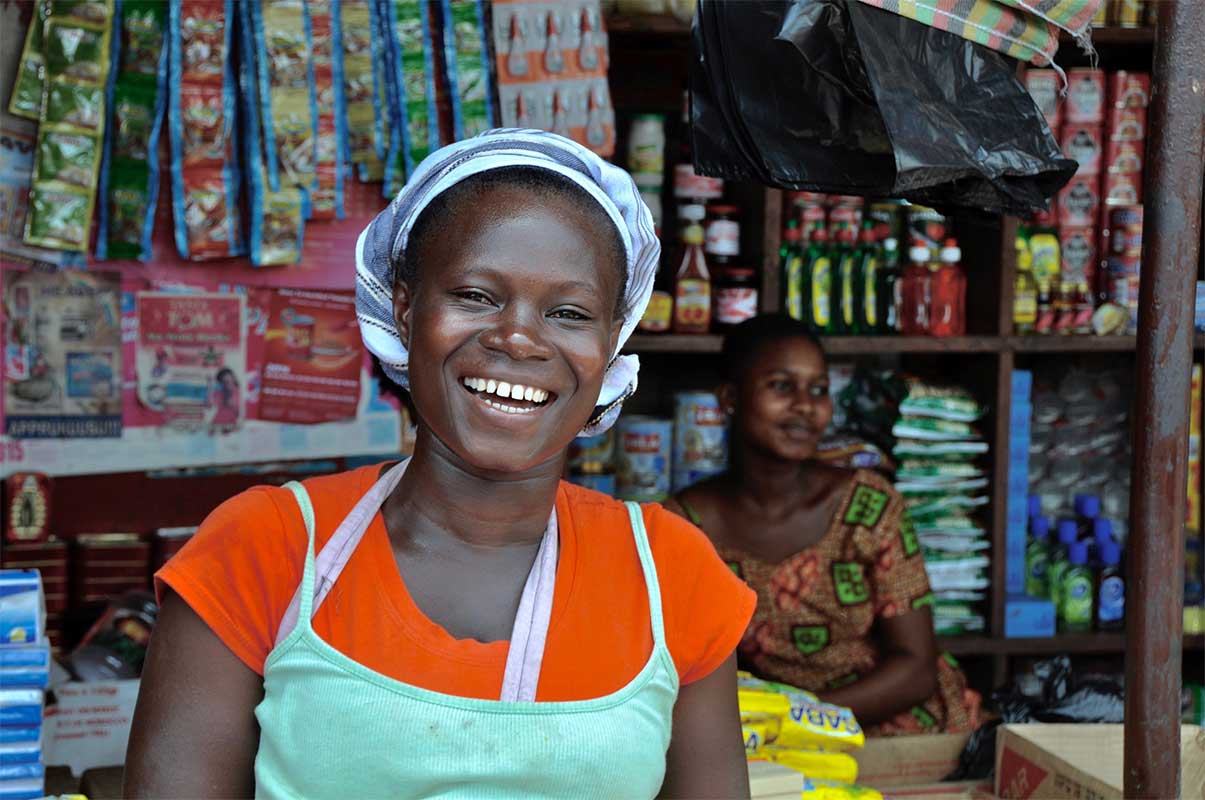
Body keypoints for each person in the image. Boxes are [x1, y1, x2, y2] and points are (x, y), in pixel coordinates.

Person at [124, 130, 756, 799]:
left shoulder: (672, 576)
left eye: (569, 313)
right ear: (404, 308)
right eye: (476, 296)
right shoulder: (268, 549)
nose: (517, 337)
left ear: (610, 344)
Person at [665, 314, 980, 736]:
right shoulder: (682, 526)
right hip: (764, 741)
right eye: (781, 386)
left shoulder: (868, 506)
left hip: (896, 732)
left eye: (819, 390)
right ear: (730, 398)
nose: (806, 407)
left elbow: (916, 667)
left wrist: (800, 720)